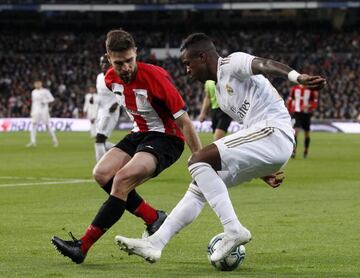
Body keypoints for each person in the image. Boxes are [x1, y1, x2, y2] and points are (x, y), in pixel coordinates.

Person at [114, 32, 326, 264]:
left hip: (275, 132)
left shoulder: (232, 63)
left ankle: (234, 230)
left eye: (188, 63)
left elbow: (264, 64)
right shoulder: (222, 96)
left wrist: (297, 77)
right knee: (199, 186)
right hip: (265, 143)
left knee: (197, 161)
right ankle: (155, 243)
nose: (187, 70)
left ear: (203, 57)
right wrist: (261, 168)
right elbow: (249, 128)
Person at [51, 29, 202, 264]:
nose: (126, 67)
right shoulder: (111, 79)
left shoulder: (156, 77)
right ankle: (154, 218)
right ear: (109, 58)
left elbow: (184, 121)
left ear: (136, 54)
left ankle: (83, 246)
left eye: (130, 60)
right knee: (101, 174)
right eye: (119, 62)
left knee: (121, 179)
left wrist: (200, 160)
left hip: (166, 138)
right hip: (139, 134)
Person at [94, 55, 121, 162]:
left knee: (99, 139)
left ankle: (99, 166)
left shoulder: (116, 76)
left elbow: (122, 93)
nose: (104, 64)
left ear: (111, 64)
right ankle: (125, 152)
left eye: (107, 62)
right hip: (101, 111)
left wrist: (117, 103)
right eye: (102, 62)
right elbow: (100, 95)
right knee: (102, 141)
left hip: (111, 112)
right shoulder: (99, 77)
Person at [287, 84, 318, 158]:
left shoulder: (311, 89)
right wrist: (289, 110)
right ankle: (293, 151)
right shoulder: (295, 89)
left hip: (306, 114)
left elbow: (314, 102)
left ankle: (306, 150)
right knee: (296, 131)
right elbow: (290, 100)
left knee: (306, 134)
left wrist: (309, 106)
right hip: (297, 113)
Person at [26, 80, 58, 147]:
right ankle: (33, 141)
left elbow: (52, 99)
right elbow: (33, 102)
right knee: (34, 125)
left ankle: (54, 140)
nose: (37, 85)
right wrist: (32, 111)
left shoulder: (45, 91)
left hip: (44, 111)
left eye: (38, 84)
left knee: (47, 126)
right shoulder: (33, 92)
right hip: (36, 111)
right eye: (36, 84)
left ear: (41, 84)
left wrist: (45, 101)